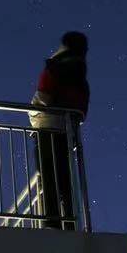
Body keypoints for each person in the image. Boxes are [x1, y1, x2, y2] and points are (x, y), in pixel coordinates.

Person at [29, 31, 90, 229]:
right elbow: (82, 110)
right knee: (65, 179)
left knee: (48, 176)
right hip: (67, 133)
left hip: (47, 128)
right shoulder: (81, 77)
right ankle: (71, 222)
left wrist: (32, 115)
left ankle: (52, 221)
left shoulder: (55, 69)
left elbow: (43, 97)